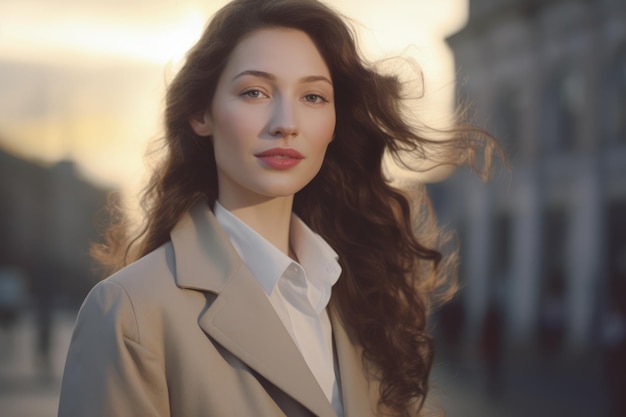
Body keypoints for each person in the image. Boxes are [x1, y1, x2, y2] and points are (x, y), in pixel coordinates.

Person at [58, 0, 497, 416]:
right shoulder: (129, 312)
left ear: (333, 124)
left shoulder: (361, 297)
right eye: (254, 92)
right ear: (200, 114)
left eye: (313, 97)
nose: (286, 123)